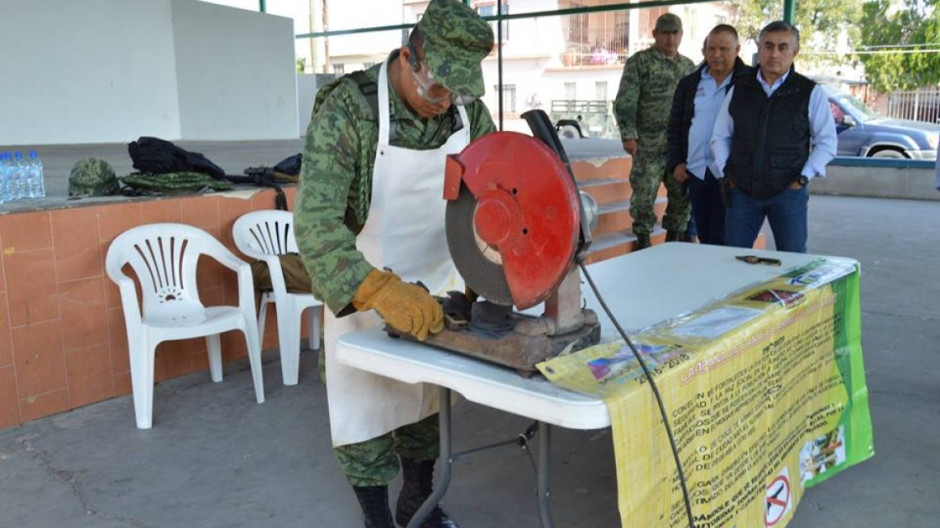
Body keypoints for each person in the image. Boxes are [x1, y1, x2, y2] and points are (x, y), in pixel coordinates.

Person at [293, 1, 496, 527]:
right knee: (363, 413)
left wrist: (487, 271)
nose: (444, 102)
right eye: (435, 88)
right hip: (361, 283)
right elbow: (316, 226)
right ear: (408, 57)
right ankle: (377, 517)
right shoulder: (349, 110)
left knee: (427, 407)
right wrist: (379, 292)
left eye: (457, 90)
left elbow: (493, 192)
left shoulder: (467, 113)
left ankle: (419, 503)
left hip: (440, 280)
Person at [711, 21, 837, 253]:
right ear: (759, 48)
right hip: (742, 193)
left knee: (793, 262)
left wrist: (802, 179)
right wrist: (726, 171)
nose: (774, 54)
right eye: (768, 46)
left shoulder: (809, 92)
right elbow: (720, 135)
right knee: (732, 259)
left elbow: (827, 142)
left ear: (794, 52)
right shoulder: (739, 89)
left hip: (788, 193)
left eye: (782, 47)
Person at [614, 13, 696, 249]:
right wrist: (628, 134)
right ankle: (642, 239)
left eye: (675, 33)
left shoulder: (688, 67)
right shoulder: (640, 62)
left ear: (680, 35)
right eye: (665, 33)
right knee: (644, 194)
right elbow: (626, 101)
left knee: (681, 195)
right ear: (656, 34)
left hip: (678, 147)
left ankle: (675, 239)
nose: (670, 39)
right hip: (648, 144)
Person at [667, 25, 750, 245]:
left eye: (723, 49)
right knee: (705, 238)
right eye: (711, 49)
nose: (716, 55)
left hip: (732, 176)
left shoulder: (749, 83)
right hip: (697, 173)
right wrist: (676, 162)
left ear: (737, 49)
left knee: (728, 240)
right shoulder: (690, 83)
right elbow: (675, 126)